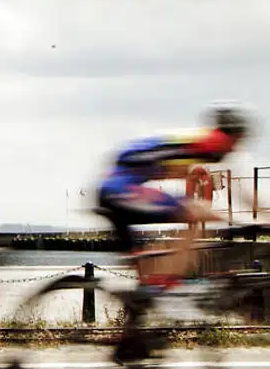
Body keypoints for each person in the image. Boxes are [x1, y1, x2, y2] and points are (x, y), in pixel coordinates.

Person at [95, 103, 256, 349]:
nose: (238, 145)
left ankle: (135, 329)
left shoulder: (200, 142)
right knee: (195, 214)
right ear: (234, 134)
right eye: (240, 139)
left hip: (117, 188)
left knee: (145, 280)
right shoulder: (214, 144)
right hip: (122, 190)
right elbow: (238, 188)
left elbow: (221, 184)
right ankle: (169, 287)